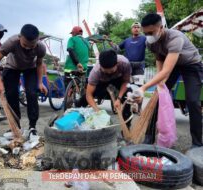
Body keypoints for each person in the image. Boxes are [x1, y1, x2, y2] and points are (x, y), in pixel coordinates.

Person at [134, 13, 203, 148]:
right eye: (145, 33)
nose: (148, 36)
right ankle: (149, 135)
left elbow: (167, 70)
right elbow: (159, 59)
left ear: (161, 27)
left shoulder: (175, 38)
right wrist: (160, 82)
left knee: (193, 101)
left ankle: (197, 142)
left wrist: (143, 88)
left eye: (151, 32)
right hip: (171, 63)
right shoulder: (150, 42)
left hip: (191, 65)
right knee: (157, 98)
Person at [0, 24, 47, 141]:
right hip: (12, 67)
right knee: (11, 95)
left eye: (32, 46)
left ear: (37, 41)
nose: (28, 49)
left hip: (30, 68)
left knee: (32, 93)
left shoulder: (40, 47)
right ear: (20, 37)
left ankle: (32, 127)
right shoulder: (11, 42)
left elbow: (39, 64)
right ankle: (16, 127)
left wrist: (40, 83)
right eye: (25, 45)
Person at [85, 49, 132, 125]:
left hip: (119, 79)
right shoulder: (96, 72)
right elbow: (89, 94)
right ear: (100, 66)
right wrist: (97, 111)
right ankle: (77, 108)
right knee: (84, 98)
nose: (109, 73)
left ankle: (126, 126)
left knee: (128, 97)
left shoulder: (125, 63)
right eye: (106, 71)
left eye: (111, 70)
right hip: (102, 81)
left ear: (117, 64)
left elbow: (125, 82)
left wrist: (119, 99)